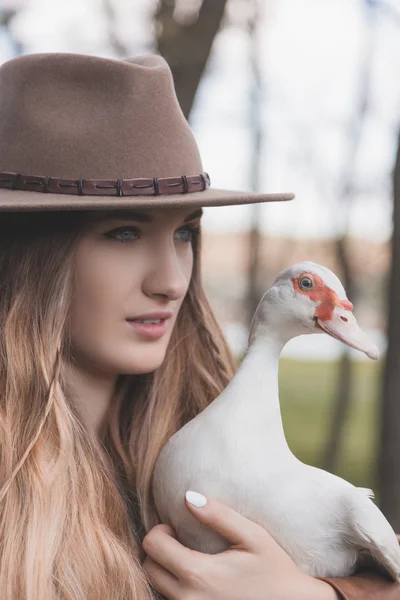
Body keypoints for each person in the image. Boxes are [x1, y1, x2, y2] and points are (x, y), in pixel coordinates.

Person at [0, 52, 397, 600]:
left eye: (185, 233)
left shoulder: (211, 421)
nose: (171, 281)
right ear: (29, 258)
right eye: (123, 233)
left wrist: (316, 595)